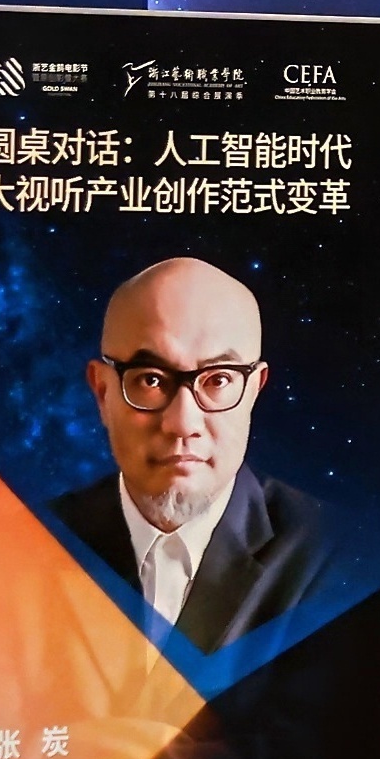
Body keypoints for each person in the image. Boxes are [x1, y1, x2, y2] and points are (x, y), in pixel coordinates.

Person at [50, 256, 334, 652]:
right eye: (151, 380)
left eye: (219, 379)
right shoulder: (24, 546)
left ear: (254, 390)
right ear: (102, 392)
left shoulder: (337, 557)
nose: (182, 423)